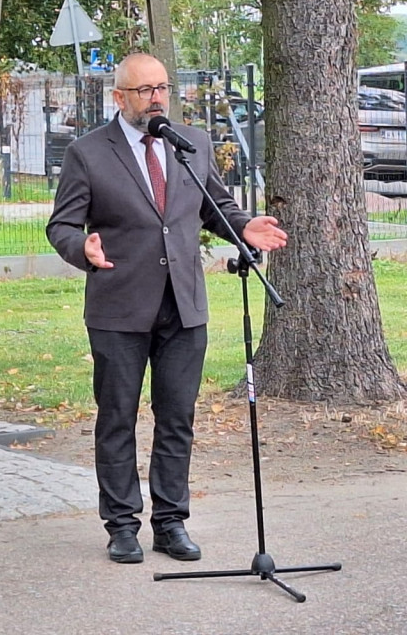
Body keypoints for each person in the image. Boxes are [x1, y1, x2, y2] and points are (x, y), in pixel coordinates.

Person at [46, 53, 287, 564]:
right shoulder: (89, 153)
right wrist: (81, 249)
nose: (156, 98)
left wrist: (242, 227)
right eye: (144, 90)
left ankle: (172, 522)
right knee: (118, 419)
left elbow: (213, 203)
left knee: (177, 417)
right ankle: (121, 525)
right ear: (120, 98)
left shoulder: (191, 144)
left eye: (162, 88)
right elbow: (61, 225)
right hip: (119, 307)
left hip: (184, 305)